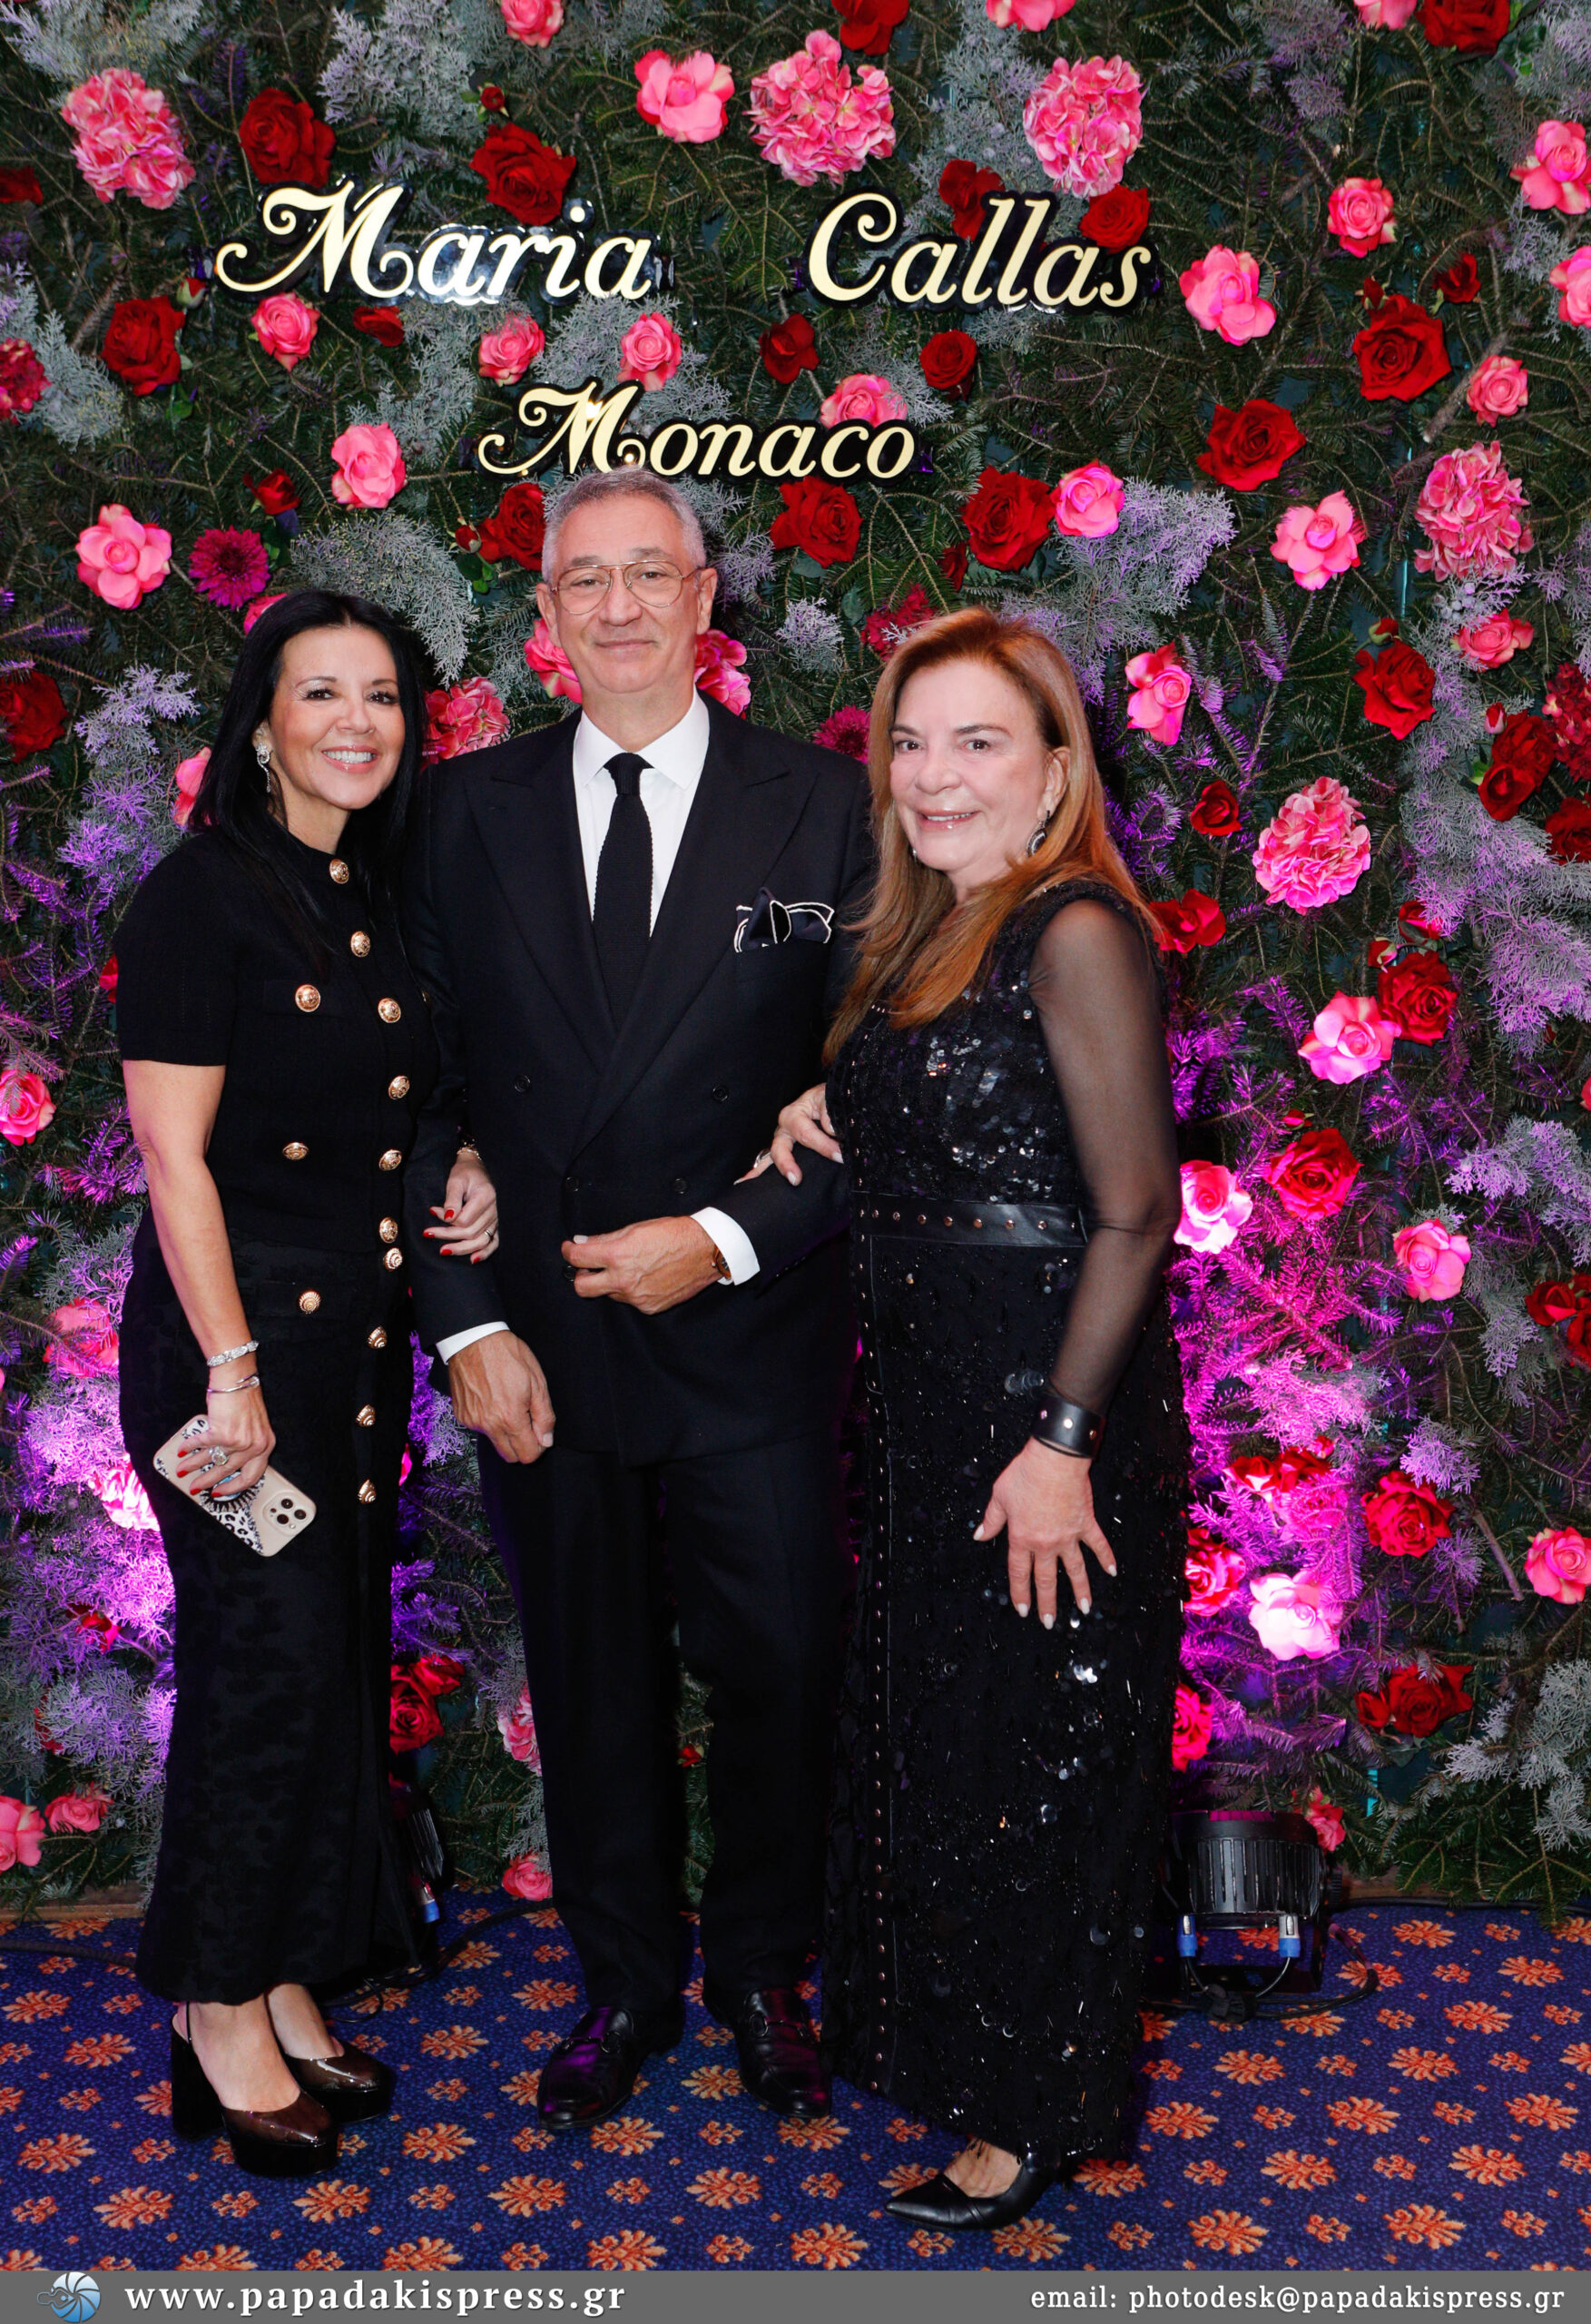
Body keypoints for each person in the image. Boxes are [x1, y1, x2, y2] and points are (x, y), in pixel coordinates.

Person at [400, 468, 873, 2132]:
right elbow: (405, 1086)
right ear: (543, 620)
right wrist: (463, 1325)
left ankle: (762, 1974)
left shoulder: (825, 807)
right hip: (540, 1336)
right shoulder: (457, 813)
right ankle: (623, 1984)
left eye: (647, 575)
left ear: (702, 601)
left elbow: (878, 1075)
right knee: (588, 1685)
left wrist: (724, 1237)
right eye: (582, 580)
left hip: (753, 1324)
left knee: (782, 1669)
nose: (617, 607)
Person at [766, 606, 1189, 2230]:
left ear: (1057, 771)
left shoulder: (1072, 926)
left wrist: (1061, 1445)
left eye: (978, 742)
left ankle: (1032, 2111)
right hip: (928, 1420)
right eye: (911, 741)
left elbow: (1133, 1210)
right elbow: (960, 1112)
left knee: (1043, 1766)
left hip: (1042, 1423)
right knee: (954, 1757)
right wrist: (832, 1100)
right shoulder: (930, 928)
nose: (933, 774)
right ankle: (968, 2061)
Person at [115, 591, 496, 2177]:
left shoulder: (364, 891)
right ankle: (214, 2011)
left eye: (382, 696)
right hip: (232, 1368)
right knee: (262, 1673)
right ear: (260, 722)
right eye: (320, 692)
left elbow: (393, 1097)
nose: (356, 722)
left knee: (325, 1664)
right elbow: (174, 1157)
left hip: (345, 1362)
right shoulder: (202, 891)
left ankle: (279, 1975)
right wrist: (231, 1374)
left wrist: (454, 1164)